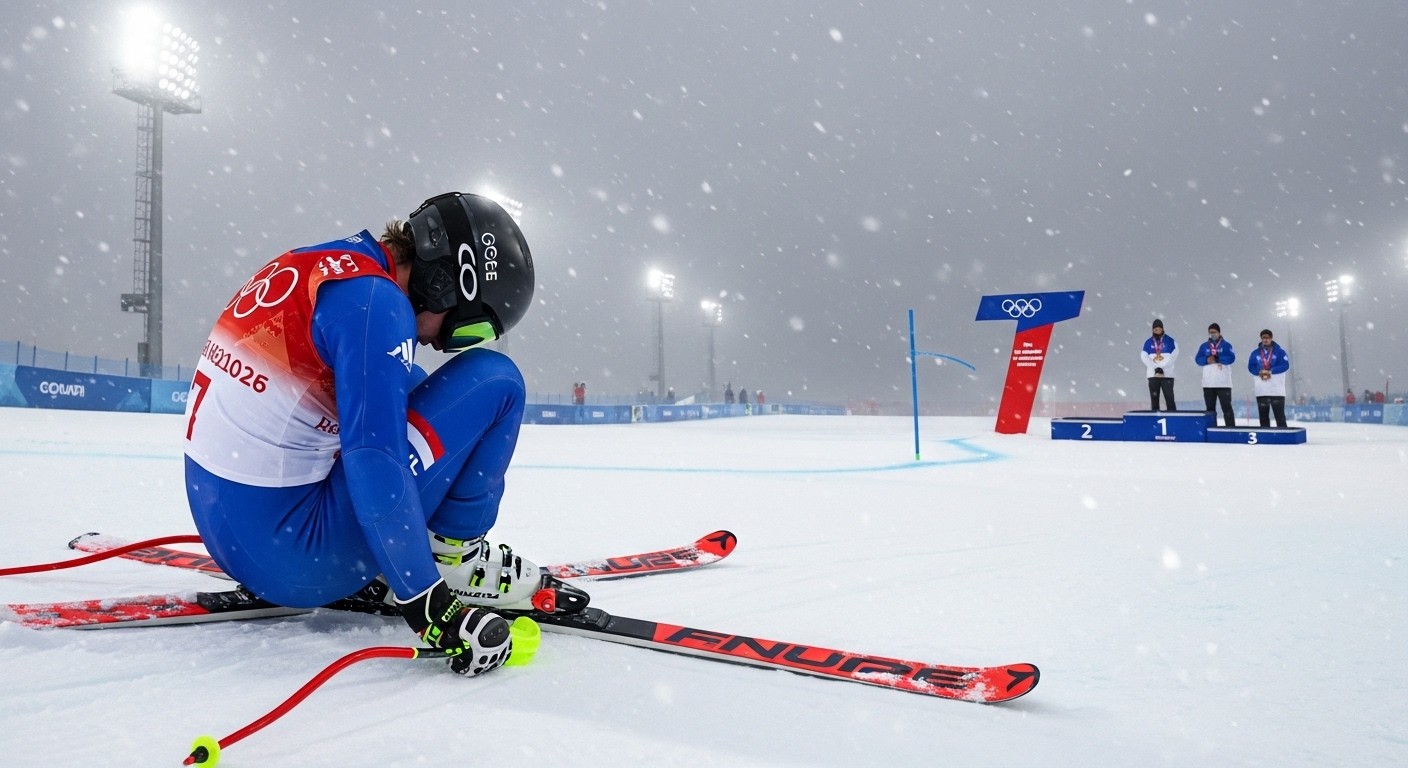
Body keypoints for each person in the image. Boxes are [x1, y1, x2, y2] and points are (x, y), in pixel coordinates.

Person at [183, 192, 566, 678]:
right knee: (496, 381)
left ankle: (392, 548)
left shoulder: (319, 264)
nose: (439, 344)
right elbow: (373, 458)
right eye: (465, 331)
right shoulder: (378, 306)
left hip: (230, 538)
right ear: (447, 282)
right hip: (301, 559)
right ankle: (453, 558)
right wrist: (429, 605)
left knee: (400, 384)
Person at [1194, 322, 1236, 426]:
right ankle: (1210, 429)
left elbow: (1231, 358)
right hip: (1208, 383)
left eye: (1214, 332)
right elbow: (1198, 359)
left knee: (1227, 408)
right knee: (1210, 409)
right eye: (1210, 332)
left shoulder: (1226, 345)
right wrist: (1207, 359)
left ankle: (1230, 429)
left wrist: (1218, 358)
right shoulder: (1204, 346)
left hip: (1223, 383)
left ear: (1219, 332)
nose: (1212, 334)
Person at [1247, 328, 1290, 427]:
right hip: (1262, 389)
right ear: (1261, 339)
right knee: (1263, 417)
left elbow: (1285, 365)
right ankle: (1265, 437)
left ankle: (1283, 437)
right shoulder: (1255, 353)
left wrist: (1271, 371)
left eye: (1267, 337)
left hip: (1277, 390)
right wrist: (1259, 372)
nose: (1265, 339)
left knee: (1280, 417)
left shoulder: (1280, 352)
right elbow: (1250, 366)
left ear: (1271, 338)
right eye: (1263, 338)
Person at [1140, 319, 1178, 411]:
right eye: (1155, 329)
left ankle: (1172, 419)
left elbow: (1173, 356)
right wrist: (1156, 368)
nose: (1157, 331)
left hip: (1167, 375)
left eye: (1159, 329)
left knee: (1170, 400)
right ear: (1152, 330)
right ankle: (1155, 421)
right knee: (1154, 401)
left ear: (1162, 329)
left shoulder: (1170, 341)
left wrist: (1162, 368)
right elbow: (1144, 357)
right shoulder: (1148, 342)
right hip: (1153, 375)